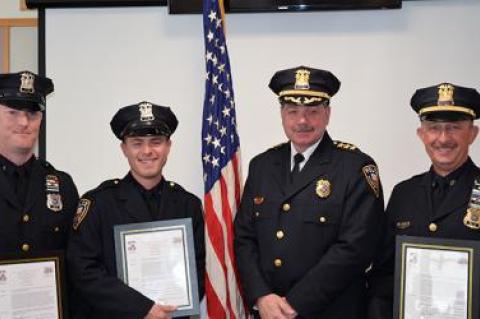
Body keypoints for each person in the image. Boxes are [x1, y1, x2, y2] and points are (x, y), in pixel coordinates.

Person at [234, 66, 385, 319]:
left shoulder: (355, 167)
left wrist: (294, 304)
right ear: (282, 114)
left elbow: (356, 248)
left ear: (327, 114)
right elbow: (244, 237)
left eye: (312, 112)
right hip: (269, 312)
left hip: (332, 311)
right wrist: (261, 296)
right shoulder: (262, 165)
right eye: (293, 111)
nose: (302, 121)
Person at [67, 101, 205, 319]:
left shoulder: (188, 205)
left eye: (156, 142)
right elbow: (84, 271)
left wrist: (172, 307)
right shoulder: (98, 204)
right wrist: (142, 308)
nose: (147, 151)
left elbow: (198, 269)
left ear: (168, 146)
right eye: (137, 143)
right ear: (124, 149)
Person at [367, 83, 480, 319]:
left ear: (473, 133)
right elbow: (384, 275)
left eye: (454, 128)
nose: (443, 138)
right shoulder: (404, 194)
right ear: (421, 134)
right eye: (434, 128)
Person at [0, 70, 79, 255]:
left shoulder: (63, 186)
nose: (23, 122)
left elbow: (76, 258)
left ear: (41, 120)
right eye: (12, 112)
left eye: (32, 114)